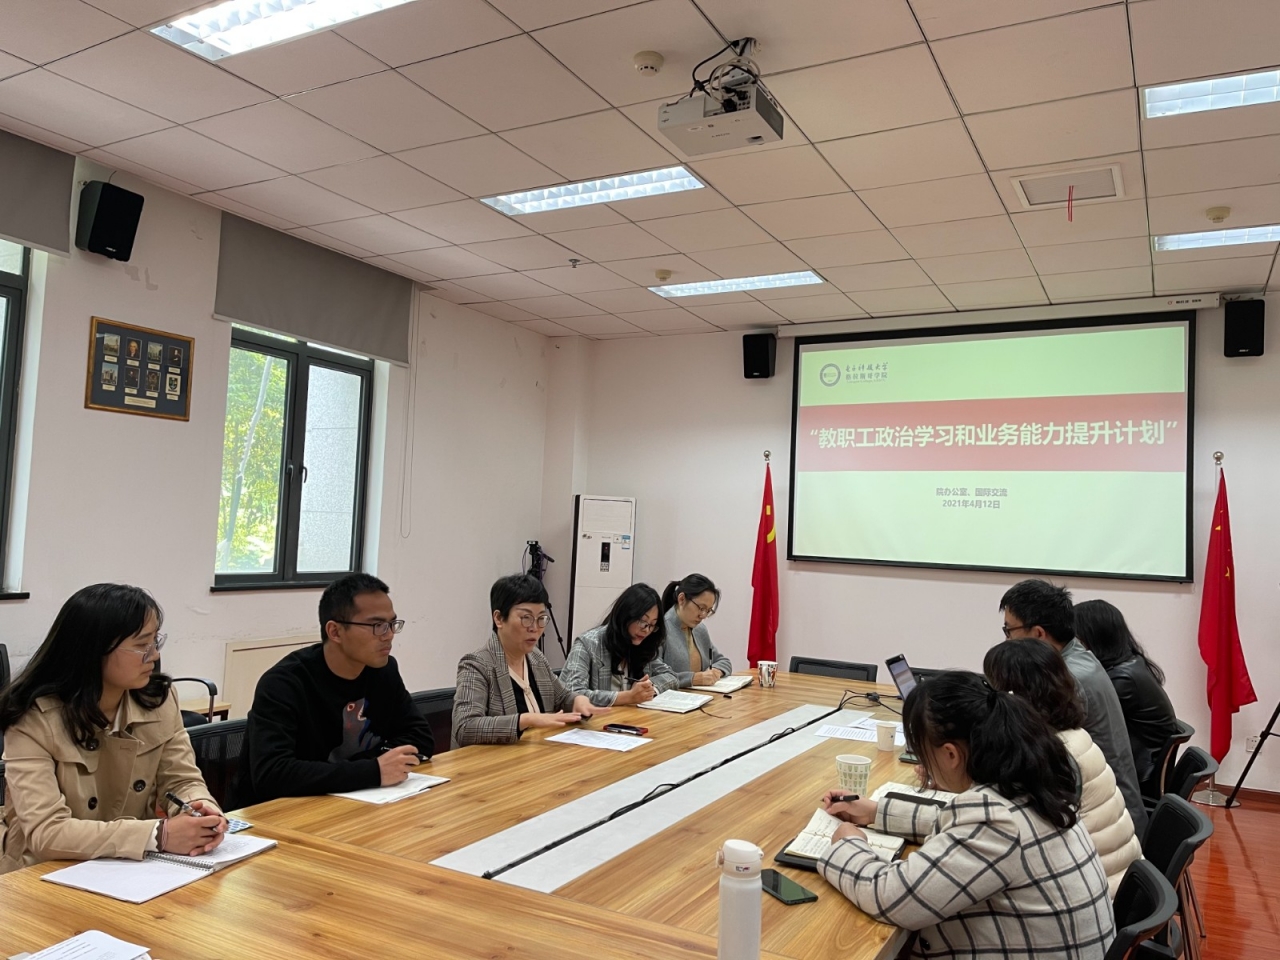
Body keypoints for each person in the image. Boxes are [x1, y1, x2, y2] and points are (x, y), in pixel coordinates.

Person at [818, 672, 1114, 960]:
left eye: (921, 751)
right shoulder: (1029, 784)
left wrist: (847, 844)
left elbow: (892, 897)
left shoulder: (994, 819)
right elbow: (961, 828)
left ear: (950, 754)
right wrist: (877, 812)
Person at [0, 584, 227, 873]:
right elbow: (47, 832)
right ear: (95, 649)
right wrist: (159, 835)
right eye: (142, 644)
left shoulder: (157, 700)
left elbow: (181, 780)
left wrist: (200, 808)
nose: (154, 655)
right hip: (41, 871)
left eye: (156, 640)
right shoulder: (33, 717)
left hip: (127, 866)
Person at [233, 573, 434, 807]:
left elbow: (420, 737)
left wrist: (374, 766)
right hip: (278, 815)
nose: (388, 635)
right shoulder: (284, 683)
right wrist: (372, 770)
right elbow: (272, 774)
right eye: (377, 625)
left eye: (391, 624)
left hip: (353, 803)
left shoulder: (383, 670)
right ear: (335, 631)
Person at [983, 640, 1141, 897]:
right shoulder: (1073, 736)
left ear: (1013, 696)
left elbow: (1010, 829)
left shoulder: (1053, 756)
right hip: (1119, 882)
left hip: (1099, 894)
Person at [999, 579, 1147, 837]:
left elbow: (1033, 753)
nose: (1007, 639)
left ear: (1037, 634)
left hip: (1104, 821)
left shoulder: (1066, 679)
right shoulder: (1076, 653)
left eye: (1009, 630)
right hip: (1109, 806)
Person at [451, 574, 607, 749]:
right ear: (499, 618)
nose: (535, 627)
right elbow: (465, 728)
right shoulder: (476, 665)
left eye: (541, 618)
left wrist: (578, 701)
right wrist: (526, 719)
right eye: (526, 618)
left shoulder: (536, 659)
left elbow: (562, 697)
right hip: (492, 766)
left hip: (535, 757)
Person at [1074, 599, 1179, 797]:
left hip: (1135, 775)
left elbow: (1082, 721)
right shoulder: (1130, 663)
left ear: (1093, 636)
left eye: (1076, 637)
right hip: (1142, 764)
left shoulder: (1122, 679)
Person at [560, 583, 678, 707]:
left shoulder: (643, 647)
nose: (647, 630)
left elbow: (671, 677)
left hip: (628, 720)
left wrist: (648, 689)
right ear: (625, 615)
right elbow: (572, 694)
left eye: (652, 625)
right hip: (593, 722)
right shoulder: (588, 644)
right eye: (643, 621)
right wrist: (628, 697)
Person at [660, 574, 731, 688]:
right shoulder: (660, 629)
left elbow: (723, 661)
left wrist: (716, 671)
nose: (703, 615)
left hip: (700, 698)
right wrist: (693, 679)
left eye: (708, 611)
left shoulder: (700, 630)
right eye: (701, 608)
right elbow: (654, 676)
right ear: (681, 599)